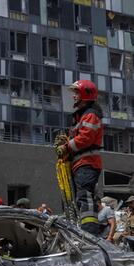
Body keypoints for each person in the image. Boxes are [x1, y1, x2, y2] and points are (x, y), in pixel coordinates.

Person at [55, 79, 103, 235]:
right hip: (80, 163)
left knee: (85, 198)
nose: (74, 96)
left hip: (87, 163)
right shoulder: (81, 116)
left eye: (76, 93)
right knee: (79, 199)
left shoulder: (90, 115)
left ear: (85, 94)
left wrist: (66, 146)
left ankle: (90, 233)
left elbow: (85, 138)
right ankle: (82, 231)